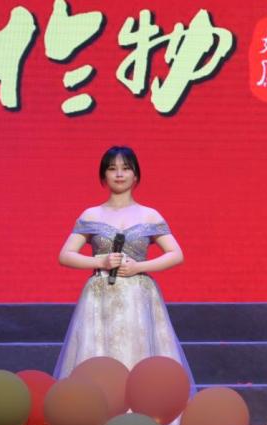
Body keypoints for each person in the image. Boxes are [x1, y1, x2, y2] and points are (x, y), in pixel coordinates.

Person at [55, 146, 193, 385]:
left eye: (126, 168)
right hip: (99, 295)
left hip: (137, 294)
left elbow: (176, 254)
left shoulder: (150, 215)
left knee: (138, 352)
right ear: (103, 176)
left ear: (136, 175)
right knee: (97, 354)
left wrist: (140, 267)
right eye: (112, 169)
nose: (119, 174)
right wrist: (101, 261)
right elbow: (65, 255)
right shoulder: (91, 215)